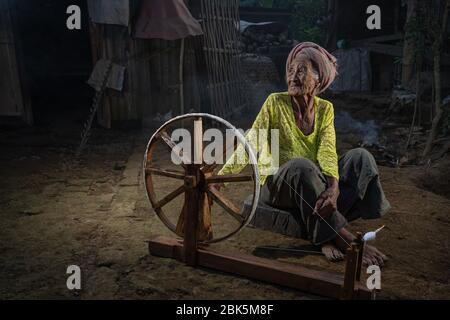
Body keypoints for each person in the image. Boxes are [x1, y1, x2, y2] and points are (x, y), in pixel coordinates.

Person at [218, 42, 391, 266]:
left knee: (360, 158)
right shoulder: (275, 103)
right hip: (277, 186)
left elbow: (327, 150)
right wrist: (222, 178)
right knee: (300, 165)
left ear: (319, 79)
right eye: (290, 70)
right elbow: (251, 142)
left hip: (311, 184)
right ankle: (341, 237)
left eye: (301, 71)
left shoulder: (325, 108)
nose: (293, 77)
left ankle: (322, 233)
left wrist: (334, 189)